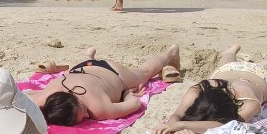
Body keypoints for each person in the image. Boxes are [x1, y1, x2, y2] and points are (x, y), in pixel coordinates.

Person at [153, 45, 267, 134]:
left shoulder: (249, 101)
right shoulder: (199, 89)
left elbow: (228, 125)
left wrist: (181, 125)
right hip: (229, 71)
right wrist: (176, 125)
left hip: (260, 76)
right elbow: (178, 114)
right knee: (226, 62)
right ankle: (232, 51)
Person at [28, 45, 182, 125]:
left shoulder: (98, 109)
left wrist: (128, 92)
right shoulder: (44, 100)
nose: (88, 115)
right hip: (81, 67)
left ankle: (171, 53)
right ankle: (88, 55)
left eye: (82, 110)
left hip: (113, 72)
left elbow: (134, 103)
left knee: (144, 72)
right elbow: (26, 93)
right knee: (79, 68)